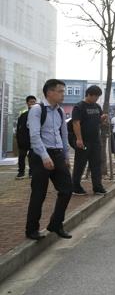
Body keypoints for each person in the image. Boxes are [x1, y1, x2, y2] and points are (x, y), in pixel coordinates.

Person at [25, 79, 73, 240]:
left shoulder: (60, 111)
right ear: (50, 92)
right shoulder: (37, 110)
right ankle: (32, 229)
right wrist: (45, 156)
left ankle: (56, 224)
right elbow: (34, 136)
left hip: (57, 154)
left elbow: (63, 135)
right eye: (60, 91)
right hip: (40, 156)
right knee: (39, 194)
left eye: (63, 91)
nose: (63, 94)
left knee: (67, 189)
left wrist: (66, 156)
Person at [72, 85, 108, 196]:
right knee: (80, 164)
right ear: (88, 95)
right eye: (95, 96)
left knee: (96, 164)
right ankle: (75, 187)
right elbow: (76, 123)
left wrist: (102, 119)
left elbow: (99, 122)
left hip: (95, 141)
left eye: (98, 97)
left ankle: (97, 187)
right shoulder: (79, 107)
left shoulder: (97, 106)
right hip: (84, 141)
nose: (96, 99)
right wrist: (79, 139)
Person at [15, 95, 37, 180]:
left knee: (32, 157)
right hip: (23, 140)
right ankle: (21, 172)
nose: (33, 103)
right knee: (22, 156)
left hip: (33, 140)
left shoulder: (38, 115)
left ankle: (31, 172)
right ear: (27, 103)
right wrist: (19, 139)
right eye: (31, 102)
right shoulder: (23, 115)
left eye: (34, 102)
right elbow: (19, 128)